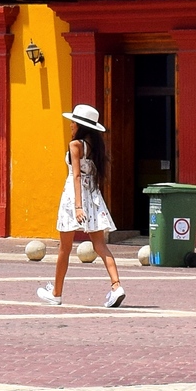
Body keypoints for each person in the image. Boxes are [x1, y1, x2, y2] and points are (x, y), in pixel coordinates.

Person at [39, 104, 123, 308]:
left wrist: (78, 207)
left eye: (73, 121)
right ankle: (116, 285)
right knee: (100, 246)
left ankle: (56, 293)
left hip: (74, 196)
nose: (71, 124)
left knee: (64, 249)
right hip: (93, 195)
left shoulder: (75, 145)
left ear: (79, 124)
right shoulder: (96, 145)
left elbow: (76, 175)